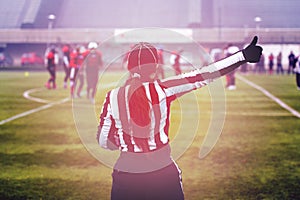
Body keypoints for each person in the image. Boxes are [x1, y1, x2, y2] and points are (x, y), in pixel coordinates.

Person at [96, 37, 262, 200]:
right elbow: (204, 75)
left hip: (126, 171)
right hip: (161, 170)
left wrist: (126, 141)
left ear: (128, 67)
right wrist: (242, 56)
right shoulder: (163, 89)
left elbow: (103, 141)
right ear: (155, 67)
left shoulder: (112, 97)